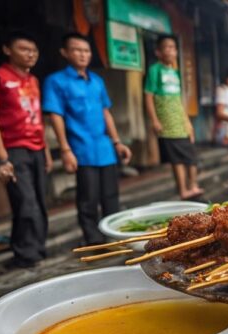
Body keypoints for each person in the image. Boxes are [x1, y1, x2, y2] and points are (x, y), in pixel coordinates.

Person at [44, 33, 132, 245]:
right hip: (80, 150)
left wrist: (117, 142)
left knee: (111, 198)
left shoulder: (97, 81)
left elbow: (105, 113)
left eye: (86, 50)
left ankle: (114, 239)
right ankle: (93, 241)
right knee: (88, 200)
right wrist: (65, 150)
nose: (83, 55)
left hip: (105, 148)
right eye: (77, 50)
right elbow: (55, 116)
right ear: (65, 53)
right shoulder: (56, 81)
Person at [0, 31, 51, 268]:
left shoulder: (33, 80)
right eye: (24, 49)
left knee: (38, 201)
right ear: (7, 50)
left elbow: (38, 118)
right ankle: (28, 255)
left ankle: (33, 249)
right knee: (26, 202)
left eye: (34, 50)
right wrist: (2, 160)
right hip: (13, 149)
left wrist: (46, 151)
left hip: (37, 148)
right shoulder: (0, 76)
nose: (31, 54)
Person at [145, 34, 201, 200]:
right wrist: (154, 120)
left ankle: (193, 185)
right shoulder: (154, 70)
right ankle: (183, 190)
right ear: (158, 52)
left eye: (173, 48)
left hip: (180, 120)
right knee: (177, 159)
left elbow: (178, 100)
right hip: (167, 122)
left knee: (191, 155)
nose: (170, 51)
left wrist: (188, 123)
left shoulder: (175, 73)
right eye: (166, 47)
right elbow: (148, 96)